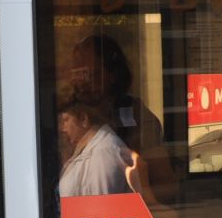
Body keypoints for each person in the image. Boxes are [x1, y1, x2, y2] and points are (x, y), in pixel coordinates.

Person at [68, 32, 173, 201]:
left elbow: (166, 185)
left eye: (91, 75)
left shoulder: (136, 116)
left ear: (113, 75)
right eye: (78, 75)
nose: (83, 83)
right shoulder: (69, 118)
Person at [58, 101, 144, 199]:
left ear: (83, 119)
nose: (62, 128)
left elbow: (103, 206)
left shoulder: (104, 152)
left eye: (65, 120)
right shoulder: (91, 149)